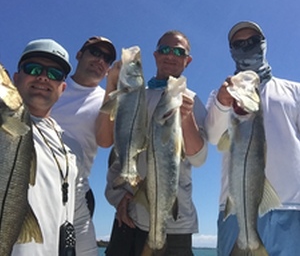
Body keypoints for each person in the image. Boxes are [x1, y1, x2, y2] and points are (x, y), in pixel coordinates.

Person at [96, 30, 208, 256]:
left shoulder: (193, 102)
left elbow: (198, 158)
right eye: (165, 50)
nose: (171, 55)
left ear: (188, 60)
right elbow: (109, 146)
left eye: (179, 51)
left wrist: (187, 120)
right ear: (155, 55)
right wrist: (117, 197)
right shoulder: (134, 96)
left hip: (176, 221)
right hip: (129, 216)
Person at [205, 21, 300, 255]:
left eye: (253, 41)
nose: (247, 47)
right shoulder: (219, 96)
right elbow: (214, 138)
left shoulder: (295, 91)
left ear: (264, 45)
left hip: (291, 208)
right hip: (234, 208)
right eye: (239, 44)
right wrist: (222, 103)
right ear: (231, 51)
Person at [11, 38, 78, 255]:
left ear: (63, 87)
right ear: (16, 78)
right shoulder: (6, 125)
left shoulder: (65, 145)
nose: (43, 77)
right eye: (33, 68)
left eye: (54, 74)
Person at [51, 36, 117, 255]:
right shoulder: (49, 84)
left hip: (77, 191)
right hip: (31, 180)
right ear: (79, 55)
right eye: (95, 52)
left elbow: (105, 141)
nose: (100, 60)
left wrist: (112, 88)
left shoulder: (105, 99)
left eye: (107, 59)